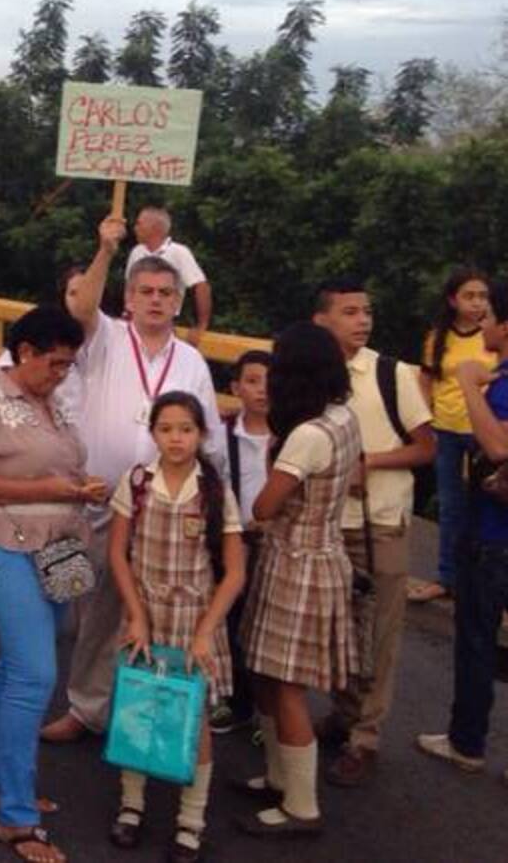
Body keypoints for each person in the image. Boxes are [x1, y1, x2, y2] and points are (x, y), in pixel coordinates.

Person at [41, 217, 226, 745]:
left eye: (166, 293)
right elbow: (79, 307)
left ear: (178, 302)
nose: (155, 300)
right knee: (85, 607)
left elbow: (209, 438)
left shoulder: (191, 360)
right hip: (94, 501)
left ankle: (141, 716)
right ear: (128, 296)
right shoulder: (105, 339)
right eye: (144, 291)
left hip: (165, 511)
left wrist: (211, 504)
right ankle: (83, 705)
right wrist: (104, 247)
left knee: (157, 615)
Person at [0, 305, 100, 863]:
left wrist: (75, 489)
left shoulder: (47, 401)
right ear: (26, 352)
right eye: (55, 363)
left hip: (57, 547)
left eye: (69, 365)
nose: (62, 374)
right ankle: (17, 816)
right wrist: (44, 488)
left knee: (18, 666)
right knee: (35, 674)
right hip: (2, 545)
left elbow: (58, 472)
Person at [107, 392, 245, 862]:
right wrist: (137, 616)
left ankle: (191, 820)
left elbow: (235, 572)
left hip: (194, 620)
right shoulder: (137, 482)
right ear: (153, 433)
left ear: (202, 433)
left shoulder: (214, 491)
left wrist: (207, 630)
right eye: (165, 429)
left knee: (196, 719)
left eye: (186, 428)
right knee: (137, 707)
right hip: (145, 611)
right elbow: (117, 554)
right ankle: (131, 805)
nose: (176, 438)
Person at [234, 321, 360, 837]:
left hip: (297, 565)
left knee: (285, 687)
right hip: (319, 555)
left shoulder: (306, 436)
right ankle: (279, 777)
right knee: (267, 675)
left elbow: (265, 505)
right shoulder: (342, 417)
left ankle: (301, 806)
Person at [311, 277, 435, 787]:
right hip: (324, 523)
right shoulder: (313, 374)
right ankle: (343, 714)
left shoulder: (391, 373)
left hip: (381, 519)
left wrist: (371, 463)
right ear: (323, 319)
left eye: (366, 311)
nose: (362, 320)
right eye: (349, 311)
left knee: (380, 633)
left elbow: (426, 447)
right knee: (338, 628)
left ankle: (365, 735)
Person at [416, 278, 508, 783]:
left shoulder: (501, 382)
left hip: (493, 536)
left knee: (476, 638)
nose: (484, 321)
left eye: (492, 313)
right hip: (489, 529)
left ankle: (466, 741)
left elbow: (497, 447)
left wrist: (472, 386)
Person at [412, 270, 494, 602]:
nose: (477, 303)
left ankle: (486, 583)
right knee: (451, 506)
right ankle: (447, 578)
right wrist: (424, 419)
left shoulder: (493, 335)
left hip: (485, 433)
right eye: (469, 296)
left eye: (482, 296)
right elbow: (426, 380)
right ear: (452, 300)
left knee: (487, 505)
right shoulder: (439, 337)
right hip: (446, 430)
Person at [209, 350, 272, 736]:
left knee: (269, 628)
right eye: (252, 381)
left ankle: (269, 713)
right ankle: (238, 702)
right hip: (235, 542)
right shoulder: (223, 434)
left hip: (277, 542)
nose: (262, 389)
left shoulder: (292, 434)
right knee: (232, 623)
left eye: (269, 380)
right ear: (235, 388)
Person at [124, 207, 211, 346]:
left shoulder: (179, 252)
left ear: (154, 227)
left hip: (167, 322)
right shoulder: (137, 252)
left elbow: (201, 286)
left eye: (139, 223)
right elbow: (129, 288)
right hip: (137, 322)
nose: (135, 228)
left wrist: (201, 326)